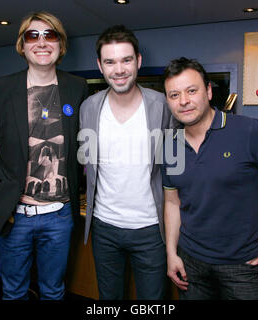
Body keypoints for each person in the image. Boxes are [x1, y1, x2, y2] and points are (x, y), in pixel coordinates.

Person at [0, 11, 88, 300]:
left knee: (53, 291)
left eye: (50, 35)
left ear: (61, 45)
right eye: (32, 35)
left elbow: (86, 148)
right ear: (22, 45)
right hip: (15, 217)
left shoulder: (77, 88)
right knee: (13, 293)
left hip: (60, 216)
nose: (42, 42)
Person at [162, 57, 258, 300]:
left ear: (208, 91)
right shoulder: (169, 145)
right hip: (191, 265)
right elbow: (173, 203)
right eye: (174, 95)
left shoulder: (248, 131)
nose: (183, 101)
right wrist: (171, 253)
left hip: (244, 267)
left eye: (191, 91)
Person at [78, 25, 172, 299]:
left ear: (138, 61)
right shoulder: (89, 108)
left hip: (151, 229)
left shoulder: (162, 105)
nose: (119, 69)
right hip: (104, 227)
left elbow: (178, 164)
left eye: (126, 60)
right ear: (100, 65)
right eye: (110, 61)